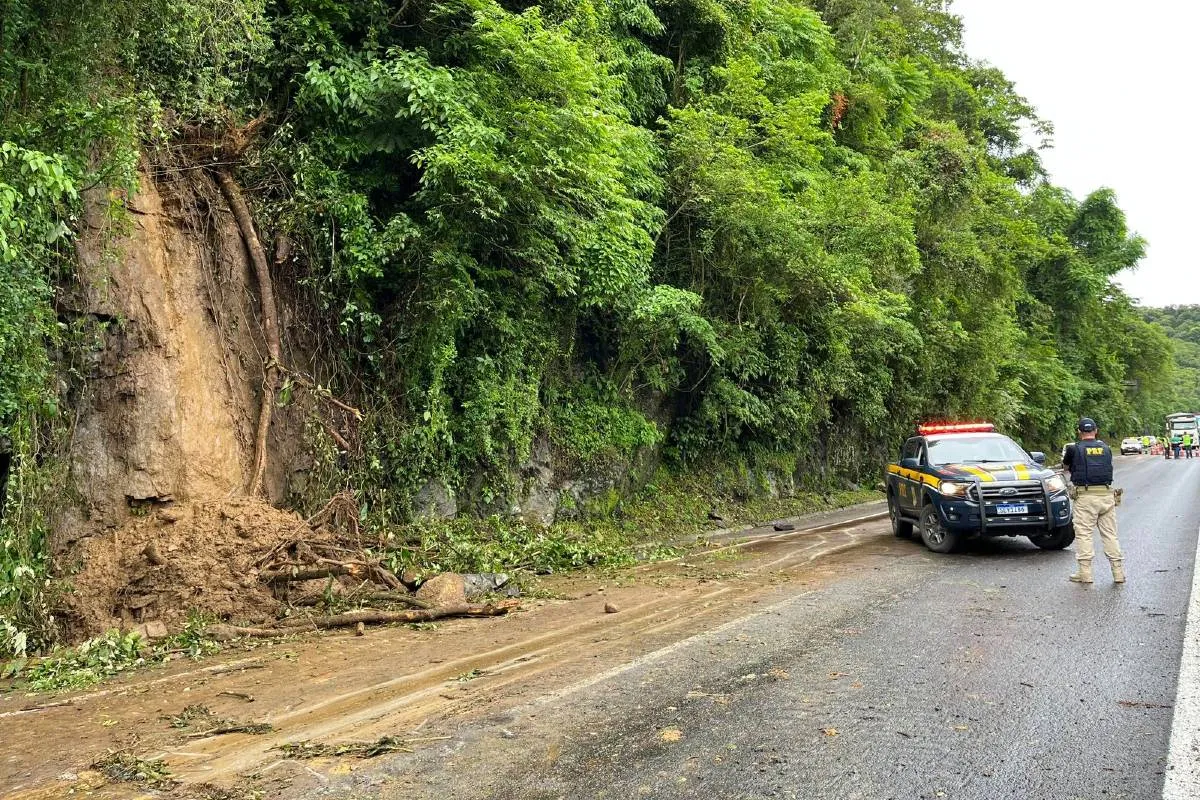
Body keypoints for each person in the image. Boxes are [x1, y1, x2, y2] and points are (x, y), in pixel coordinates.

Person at [1062, 418, 1124, 585]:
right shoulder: (1106, 448)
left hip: (1085, 496)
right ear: (1096, 431)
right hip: (1106, 496)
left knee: (1084, 535)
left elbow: (1066, 467)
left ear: (1079, 432)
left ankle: (1085, 574)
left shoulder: (1073, 449)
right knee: (1110, 535)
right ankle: (1118, 573)